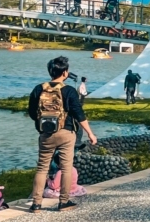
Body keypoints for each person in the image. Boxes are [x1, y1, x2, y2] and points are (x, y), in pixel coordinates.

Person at [26, 56, 98, 212]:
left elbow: (32, 113)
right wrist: (91, 134)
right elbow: (79, 114)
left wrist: (42, 127)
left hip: (46, 134)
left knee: (42, 168)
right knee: (66, 168)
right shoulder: (69, 90)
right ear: (65, 72)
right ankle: (63, 202)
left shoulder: (38, 89)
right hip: (66, 133)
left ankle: (36, 204)